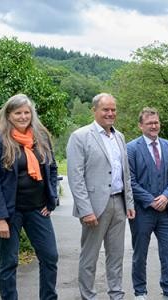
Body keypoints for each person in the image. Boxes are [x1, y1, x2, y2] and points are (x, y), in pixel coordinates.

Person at [0, 94, 59, 300]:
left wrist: (52, 200)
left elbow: (52, 169)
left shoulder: (41, 136)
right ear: (9, 115)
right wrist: (0, 218)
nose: (23, 116)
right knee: (9, 262)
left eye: (27, 112)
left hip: (38, 208)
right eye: (18, 113)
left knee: (50, 256)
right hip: (9, 212)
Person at [67, 93, 136, 300]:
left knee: (116, 256)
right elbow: (75, 177)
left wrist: (129, 202)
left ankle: (117, 295)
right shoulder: (80, 136)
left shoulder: (120, 136)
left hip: (119, 204)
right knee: (89, 257)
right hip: (94, 207)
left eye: (113, 109)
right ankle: (88, 296)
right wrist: (85, 210)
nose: (110, 113)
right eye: (105, 109)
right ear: (94, 110)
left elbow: (125, 174)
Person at [127, 107, 168, 300]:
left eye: (156, 122)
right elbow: (130, 180)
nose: (154, 126)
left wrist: (167, 196)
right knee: (140, 254)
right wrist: (151, 200)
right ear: (140, 125)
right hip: (143, 211)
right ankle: (140, 292)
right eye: (149, 123)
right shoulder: (131, 148)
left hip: (167, 210)